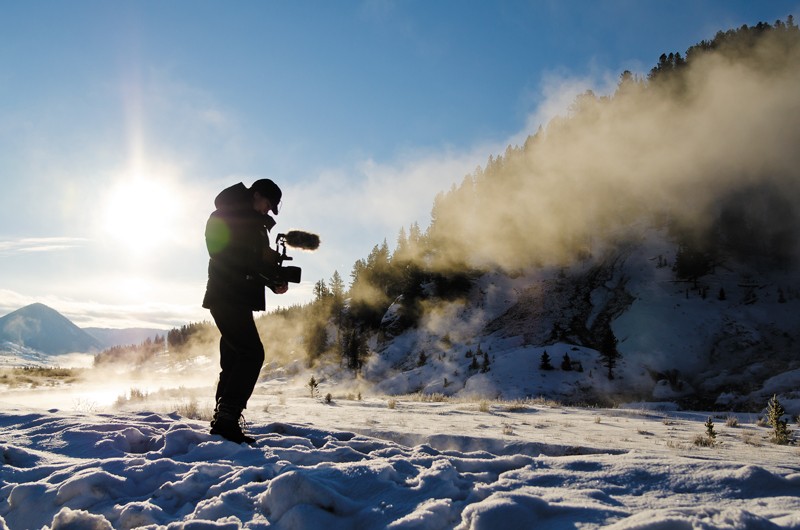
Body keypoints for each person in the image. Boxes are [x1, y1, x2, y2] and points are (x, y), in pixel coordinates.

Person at [202, 178, 287, 443]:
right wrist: (261, 264)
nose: (267, 211)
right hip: (226, 296)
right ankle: (227, 418)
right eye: (267, 204)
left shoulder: (254, 223)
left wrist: (274, 279)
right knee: (252, 354)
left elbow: (251, 262)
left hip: (237, 298)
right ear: (256, 194)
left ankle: (223, 422)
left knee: (234, 359)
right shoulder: (225, 215)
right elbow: (223, 255)